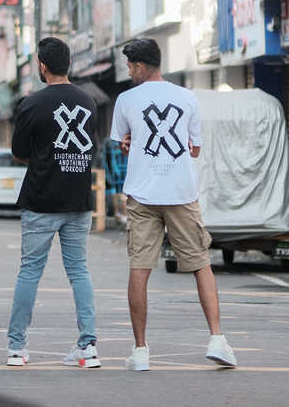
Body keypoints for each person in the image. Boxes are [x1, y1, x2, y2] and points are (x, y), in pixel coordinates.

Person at [110, 37, 237, 371]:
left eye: (129, 66)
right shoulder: (187, 97)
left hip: (142, 195)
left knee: (139, 268)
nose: (128, 71)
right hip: (182, 193)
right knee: (200, 263)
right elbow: (194, 149)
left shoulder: (125, 100)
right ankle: (217, 339)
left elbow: (124, 142)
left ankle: (140, 352)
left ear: (138, 66)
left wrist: (133, 144)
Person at [6, 36, 100, 369]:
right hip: (78, 200)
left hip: (41, 200)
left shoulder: (32, 104)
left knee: (29, 272)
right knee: (79, 271)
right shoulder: (88, 102)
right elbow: (89, 148)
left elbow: (19, 153)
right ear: (69, 64)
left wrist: (44, 152)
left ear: (42, 67)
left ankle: (17, 348)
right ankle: (88, 345)